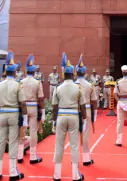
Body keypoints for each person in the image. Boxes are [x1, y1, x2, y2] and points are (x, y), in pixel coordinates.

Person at [51, 53, 86, 181]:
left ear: (64, 74)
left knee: (59, 144)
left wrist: (53, 121)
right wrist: (84, 120)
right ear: (73, 74)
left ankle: (57, 174)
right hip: (74, 116)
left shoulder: (58, 88)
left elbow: (54, 107)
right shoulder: (78, 88)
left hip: (61, 115)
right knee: (74, 146)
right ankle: (75, 175)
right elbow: (82, 107)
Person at [0, 52, 26, 180]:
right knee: (13, 142)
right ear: (15, 72)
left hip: (2, 113)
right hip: (14, 113)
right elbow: (22, 103)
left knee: (0, 142)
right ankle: (12, 172)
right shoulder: (18, 85)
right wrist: (26, 119)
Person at [18, 54, 45, 164]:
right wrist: (43, 113)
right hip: (33, 107)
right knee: (33, 131)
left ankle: (19, 155)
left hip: (23, 107)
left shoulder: (21, 82)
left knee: (22, 130)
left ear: (25, 71)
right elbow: (41, 99)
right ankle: (33, 156)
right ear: (34, 72)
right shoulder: (37, 82)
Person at [75, 55, 98, 165]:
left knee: (73, 135)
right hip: (87, 110)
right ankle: (86, 158)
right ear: (84, 73)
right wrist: (95, 114)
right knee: (86, 135)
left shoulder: (74, 85)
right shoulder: (90, 85)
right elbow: (94, 101)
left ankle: (74, 159)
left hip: (75, 111)